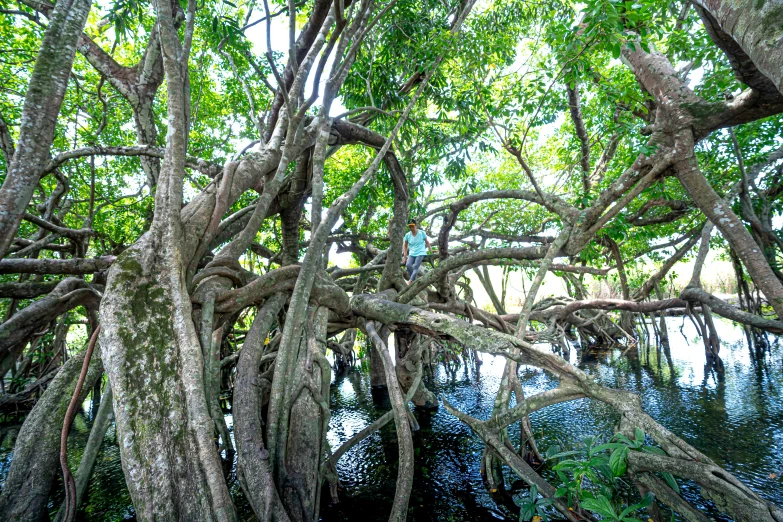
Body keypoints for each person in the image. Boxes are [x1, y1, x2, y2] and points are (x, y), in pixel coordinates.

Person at [402, 219, 432, 283]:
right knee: (408, 265)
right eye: (410, 227)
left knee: (416, 266)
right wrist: (405, 256)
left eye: (413, 226)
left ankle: (410, 281)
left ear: (416, 226)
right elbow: (405, 245)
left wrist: (431, 250)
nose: (411, 228)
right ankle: (413, 280)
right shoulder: (407, 235)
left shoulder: (421, 233)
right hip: (412, 253)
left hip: (421, 252)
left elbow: (427, 242)